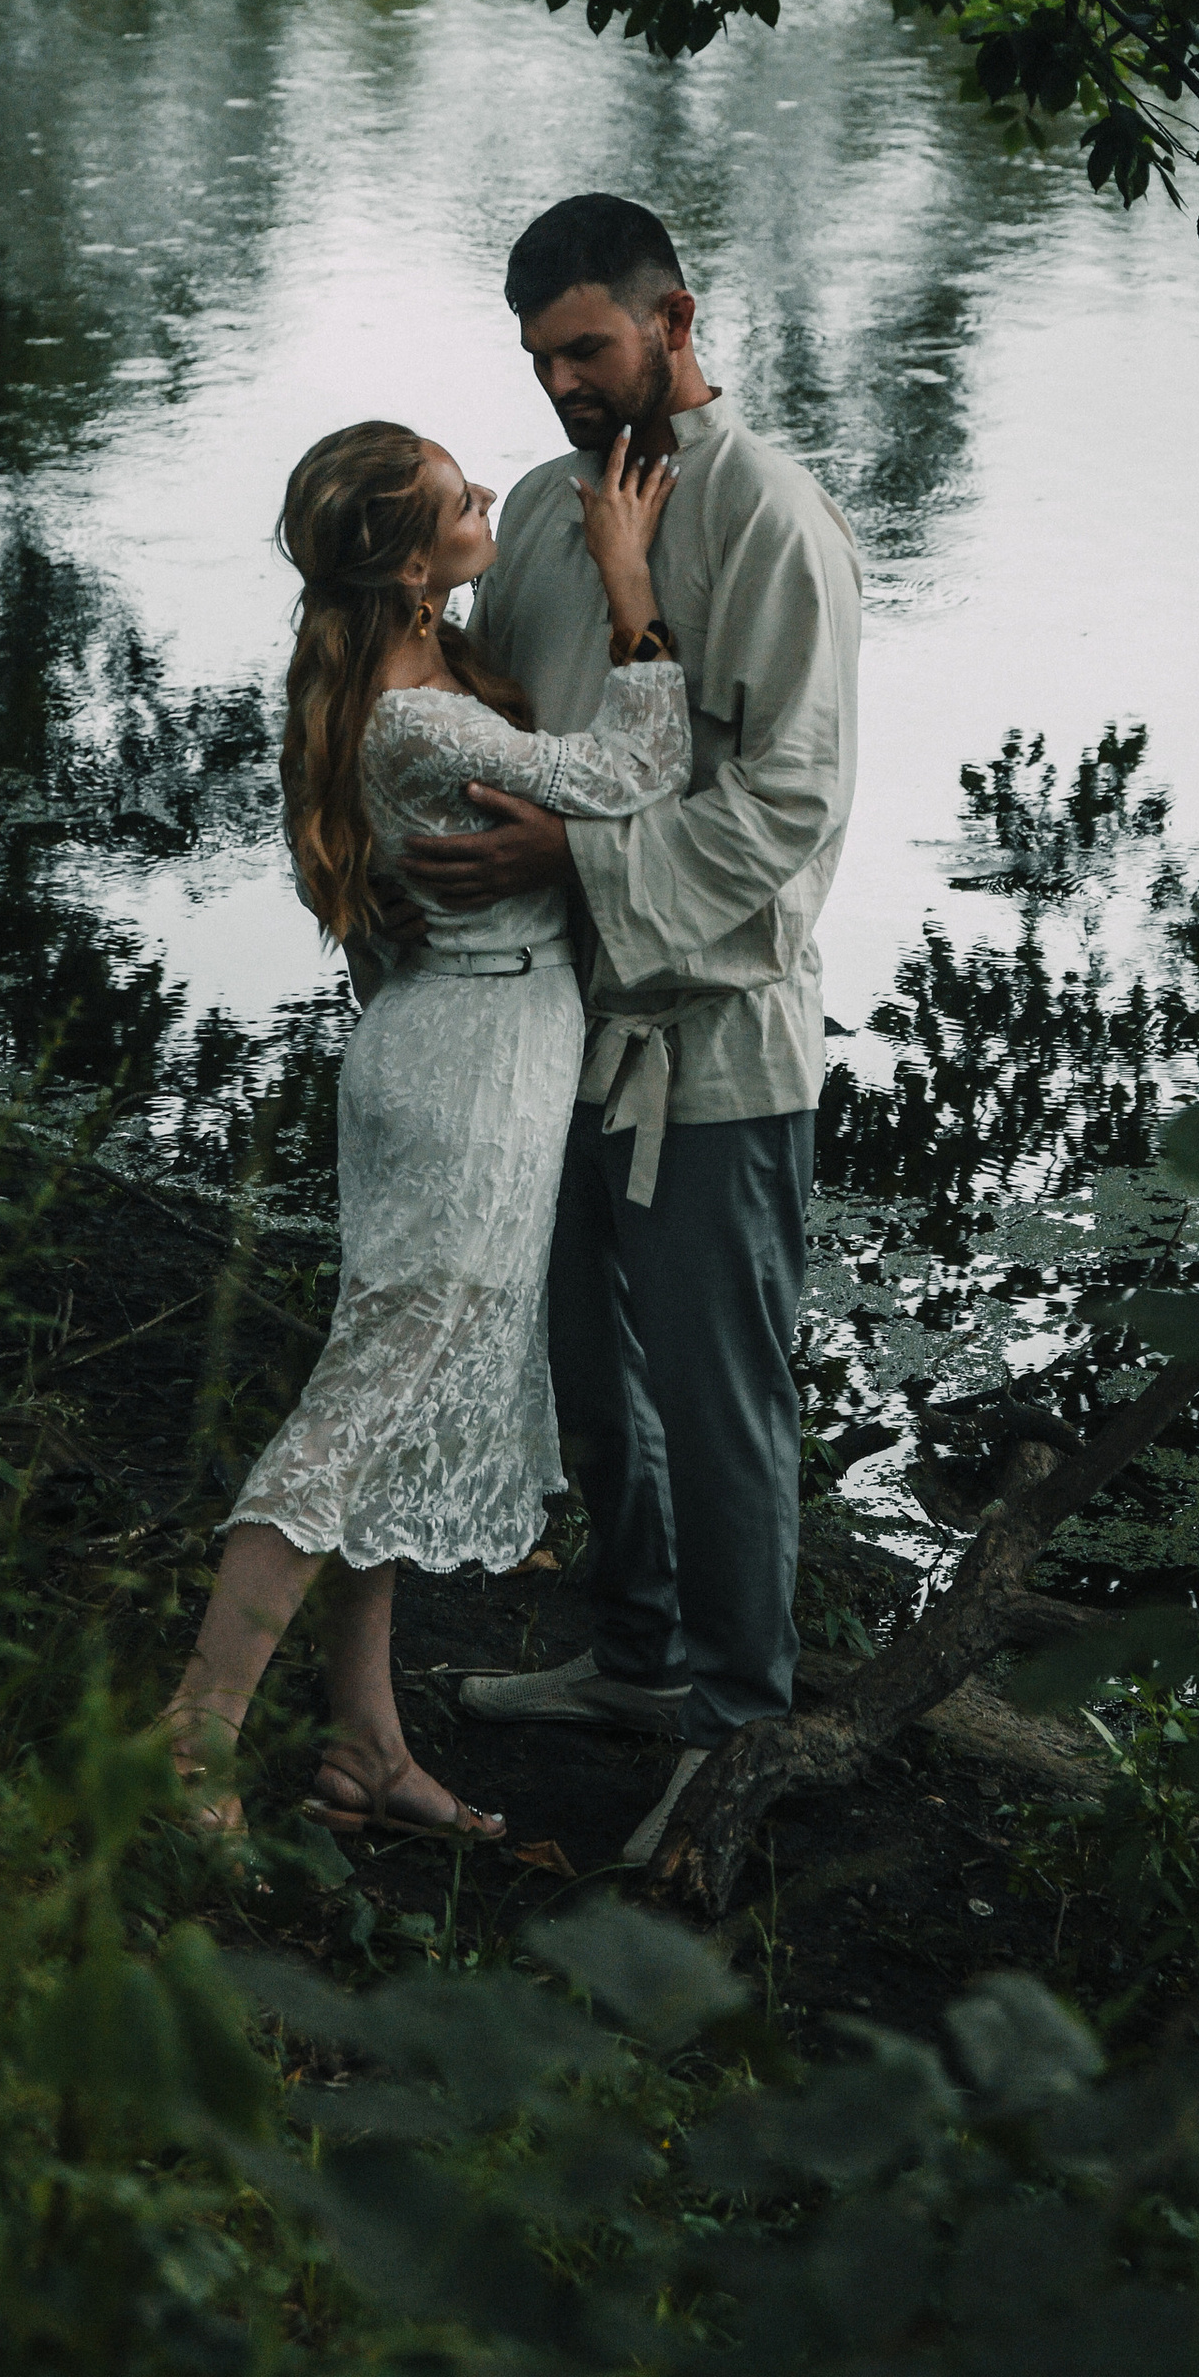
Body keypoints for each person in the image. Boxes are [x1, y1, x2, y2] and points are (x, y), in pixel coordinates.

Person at [404, 195, 861, 1866]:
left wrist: (578, 863)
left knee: (719, 1392)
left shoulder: (769, 519)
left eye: (589, 349)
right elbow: (504, 724)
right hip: (546, 1023)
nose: (565, 387)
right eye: (540, 360)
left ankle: (736, 1722)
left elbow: (792, 803)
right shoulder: (536, 511)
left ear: (678, 320)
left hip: (711, 1039)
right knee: (593, 1374)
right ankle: (640, 1653)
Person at [158, 414, 688, 1842]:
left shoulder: (407, 673)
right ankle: (193, 1729)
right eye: (457, 502)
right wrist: (631, 590)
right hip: (473, 1066)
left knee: (380, 1395)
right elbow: (640, 775)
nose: (482, 506)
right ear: (405, 566)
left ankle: (366, 1747)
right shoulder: (417, 713)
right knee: (365, 1405)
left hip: (448, 1043)